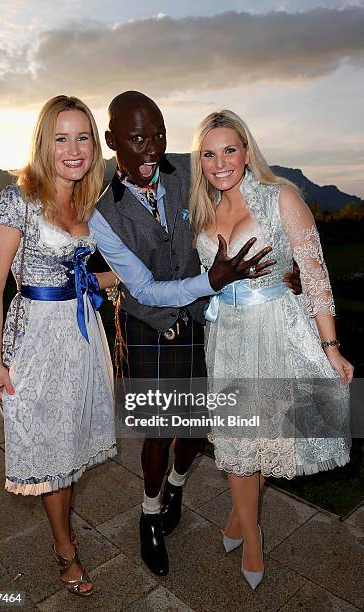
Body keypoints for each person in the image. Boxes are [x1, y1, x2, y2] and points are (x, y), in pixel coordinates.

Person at [89, 90, 301, 576]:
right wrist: (213, 280)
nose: (150, 150)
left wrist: (285, 269)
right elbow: (142, 287)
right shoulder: (102, 215)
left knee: (193, 428)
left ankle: (178, 487)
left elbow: (256, 199)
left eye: (159, 136)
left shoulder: (191, 170)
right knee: (159, 431)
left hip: (207, 320)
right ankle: (148, 513)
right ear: (111, 140)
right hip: (148, 326)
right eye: (137, 138)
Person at [190, 109, 353, 589]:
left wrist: (331, 346)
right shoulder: (199, 211)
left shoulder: (282, 197)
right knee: (241, 439)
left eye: (229, 150)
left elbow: (316, 274)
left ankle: (245, 523)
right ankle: (250, 528)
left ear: (246, 151)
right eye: (208, 153)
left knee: (272, 436)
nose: (220, 162)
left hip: (278, 329)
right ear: (199, 159)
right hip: (226, 337)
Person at [0, 95, 117, 597]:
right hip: (37, 345)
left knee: (72, 447)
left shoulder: (85, 203)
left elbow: (80, 273)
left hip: (82, 341)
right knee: (52, 455)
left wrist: (118, 279)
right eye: (61, 137)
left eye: (83, 136)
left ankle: (64, 538)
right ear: (44, 142)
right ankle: (65, 549)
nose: (74, 148)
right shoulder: (15, 199)